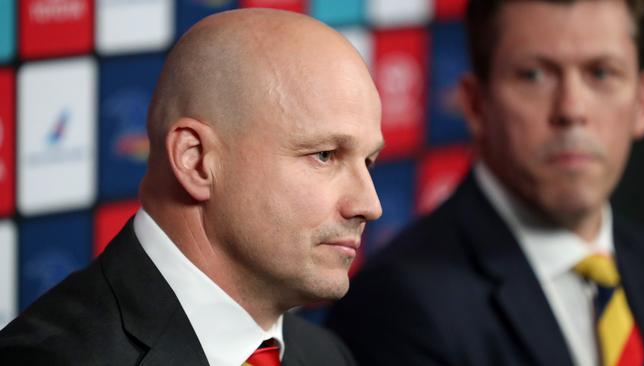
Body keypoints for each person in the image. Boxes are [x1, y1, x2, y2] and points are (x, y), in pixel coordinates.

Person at [0, 8, 384, 366]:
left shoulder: (324, 354)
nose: (370, 205)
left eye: (368, 162)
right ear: (195, 160)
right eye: (325, 155)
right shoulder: (50, 358)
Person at [327, 0, 644, 365]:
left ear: (642, 102)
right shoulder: (394, 306)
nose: (572, 110)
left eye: (602, 73)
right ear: (477, 105)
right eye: (534, 75)